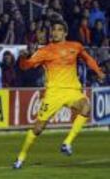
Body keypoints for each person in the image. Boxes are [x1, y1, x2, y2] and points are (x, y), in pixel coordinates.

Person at [13, 20, 105, 169]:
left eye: (59, 30)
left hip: (72, 91)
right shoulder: (45, 51)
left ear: (65, 33)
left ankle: (67, 143)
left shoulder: (75, 46)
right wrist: (23, 58)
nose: (55, 32)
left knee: (86, 107)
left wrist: (99, 71)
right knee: (38, 128)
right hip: (53, 94)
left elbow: (88, 59)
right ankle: (20, 158)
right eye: (53, 30)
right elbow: (26, 66)